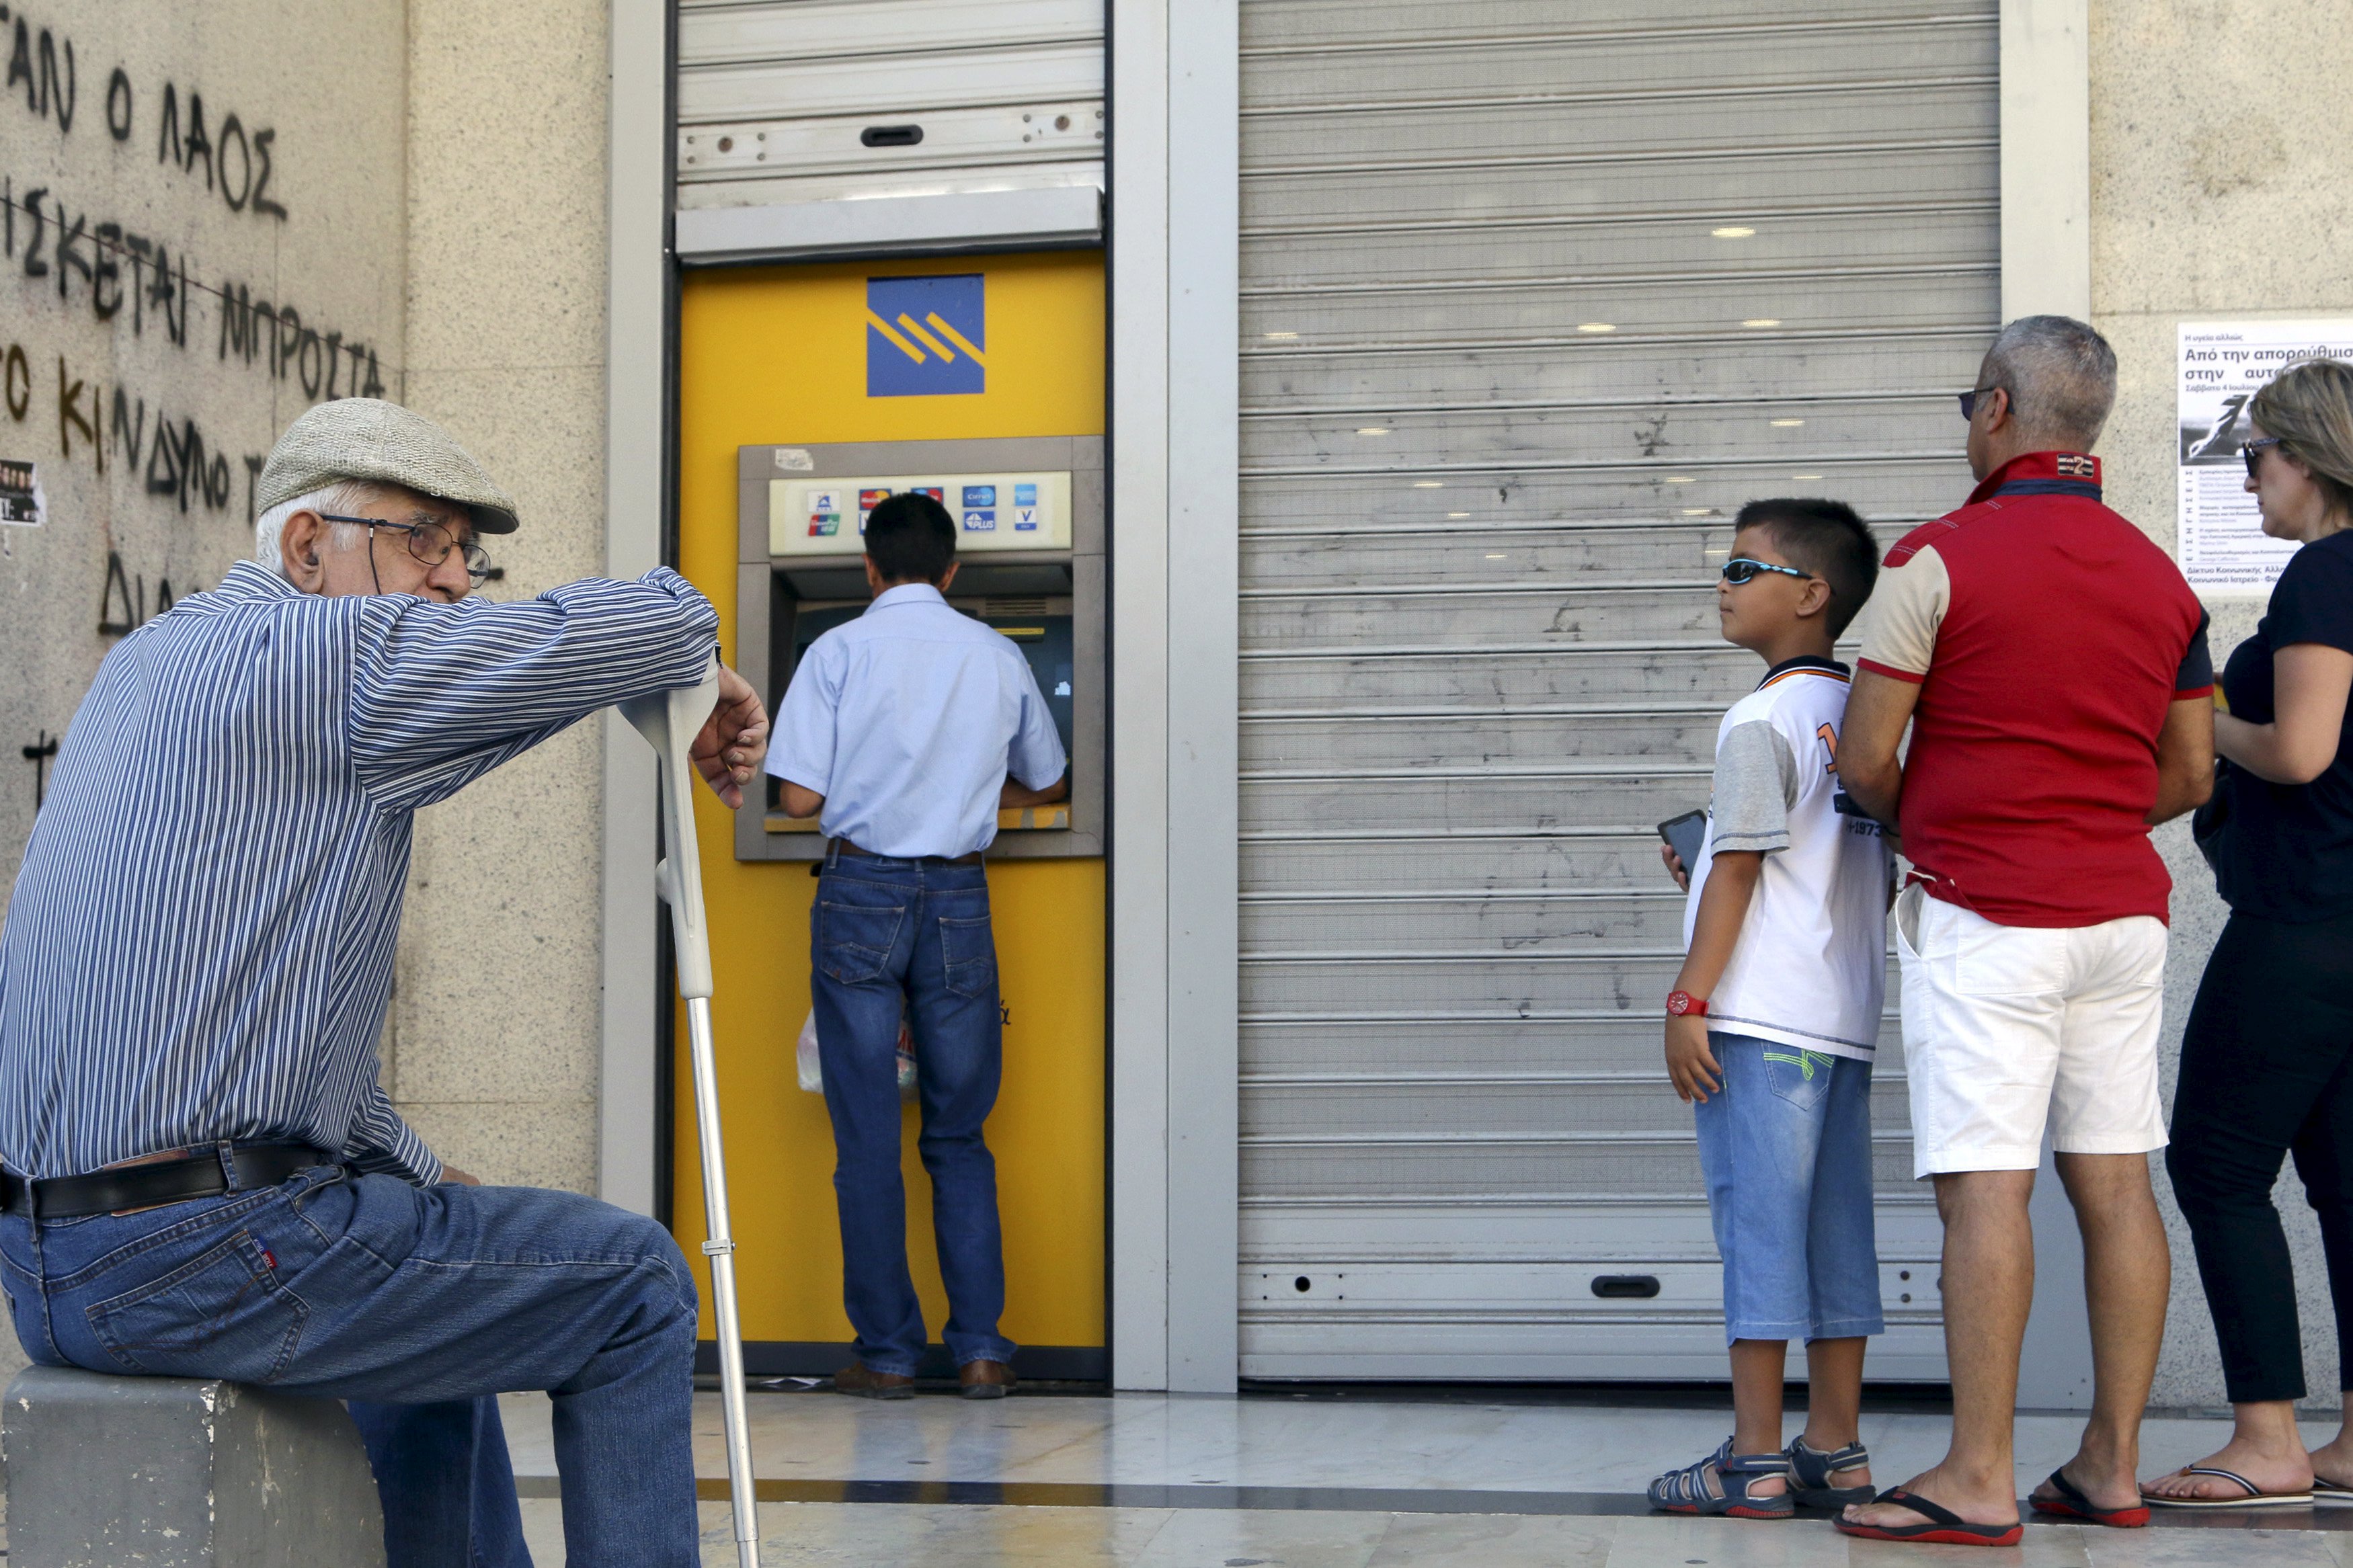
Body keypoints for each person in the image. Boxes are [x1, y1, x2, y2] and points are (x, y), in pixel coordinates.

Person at [0, 397, 770, 1568]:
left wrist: (415, 1169)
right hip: (205, 1249)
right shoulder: (335, 659)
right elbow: (650, 619)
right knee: (634, 1282)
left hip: (51, 1267)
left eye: (469, 552)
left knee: (440, 1268)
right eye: (426, 541)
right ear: (309, 547)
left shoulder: (148, 664)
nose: (458, 579)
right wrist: (695, 666)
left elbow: (251, 1042)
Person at [1833, 317, 2215, 1545]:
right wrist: (2088, 814)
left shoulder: (1936, 558)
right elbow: (2194, 772)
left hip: (1988, 914)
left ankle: (1980, 1474)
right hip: (2121, 914)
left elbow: (1870, 756)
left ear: (1996, 407)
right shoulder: (2161, 576)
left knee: (1983, 1193)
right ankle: (2111, 1463)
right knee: (2116, 1182)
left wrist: (1946, 822)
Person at [768, 491, 1068, 1399]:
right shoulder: (996, 651)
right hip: (959, 899)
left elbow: (796, 804)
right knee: (959, 1136)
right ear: (952, 570)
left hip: (860, 893)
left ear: (868, 568)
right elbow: (1049, 779)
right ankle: (981, 1348)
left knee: (867, 1139)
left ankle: (889, 1354)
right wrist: (969, 795)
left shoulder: (834, 651)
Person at [1647, 499, 1892, 1519]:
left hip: (1756, 1019)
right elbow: (1830, 867)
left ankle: (1751, 1458)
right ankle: (1833, 1447)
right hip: (1841, 1017)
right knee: (1836, 1231)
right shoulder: (1864, 718)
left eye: (1745, 567)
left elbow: (1743, 864)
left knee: (1757, 1227)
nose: (1724, 582)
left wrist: (1688, 996)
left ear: (1810, 594)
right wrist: (1704, 870)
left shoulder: (1756, 719)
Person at [2145, 358, 2353, 1509]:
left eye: (2257, 457)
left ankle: (2268, 1437)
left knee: (2217, 1163)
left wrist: (2207, 718)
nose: (2246, 482)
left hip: (2303, 918)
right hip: (2344, 917)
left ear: (2312, 457)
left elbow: (2302, 751)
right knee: (2340, 1177)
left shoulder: (2327, 575)